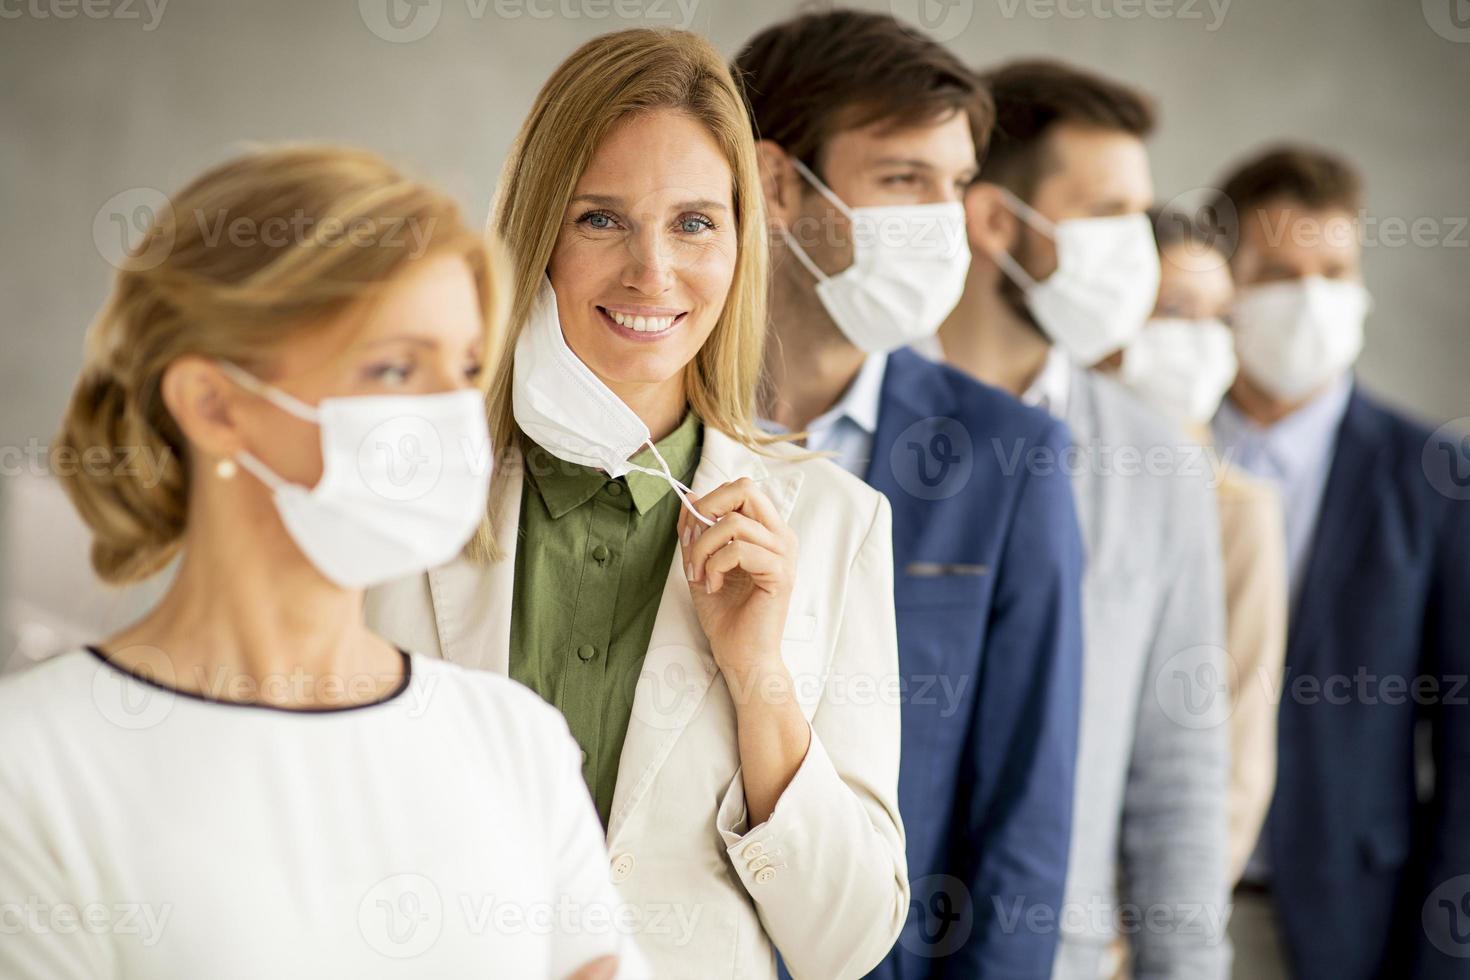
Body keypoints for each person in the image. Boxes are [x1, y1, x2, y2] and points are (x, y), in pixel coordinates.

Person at [0, 146, 644, 979]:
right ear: (214, 404)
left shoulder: (512, 742)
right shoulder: (35, 764)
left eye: (466, 370)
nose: (451, 417)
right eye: (394, 367)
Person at [366, 29, 908, 979]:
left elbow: (848, 941)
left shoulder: (832, 524)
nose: (653, 274)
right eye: (601, 219)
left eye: (695, 222)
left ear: (743, 243)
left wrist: (761, 683)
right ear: (537, 235)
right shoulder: (400, 497)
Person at [732, 12, 1084, 977]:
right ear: (775, 186)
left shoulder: (1012, 457)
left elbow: (1026, 800)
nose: (944, 220)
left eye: (956, 184)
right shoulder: (649, 432)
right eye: (901, 180)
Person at [925, 60, 1231, 978]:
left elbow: (1178, 775)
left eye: (1141, 213)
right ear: (993, 220)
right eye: (1104, 213)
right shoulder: (864, 422)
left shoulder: (1160, 467)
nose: (1133, 247)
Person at [1209, 145, 1470, 980]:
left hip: (1354, 929)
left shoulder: (1432, 475)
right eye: (1280, 272)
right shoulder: (1151, 452)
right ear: (1228, 284)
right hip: (1158, 914)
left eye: (1334, 269)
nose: (1311, 298)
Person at [1113, 208, 1289, 886]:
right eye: (1175, 310)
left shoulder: (1239, 511)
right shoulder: (1044, 475)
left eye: (1219, 317)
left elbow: (1238, 766)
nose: (1202, 339)